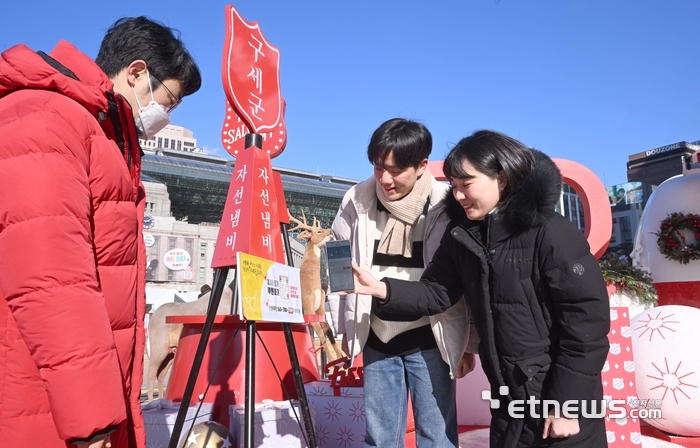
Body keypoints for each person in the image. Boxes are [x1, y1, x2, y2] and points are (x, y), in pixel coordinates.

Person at [0, 17, 201, 448]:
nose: (166, 115)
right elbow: (53, 280)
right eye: (169, 100)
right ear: (136, 72)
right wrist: (92, 420)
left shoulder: (100, 132)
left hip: (66, 392)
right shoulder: (49, 117)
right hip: (44, 397)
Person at [351, 130, 611, 447]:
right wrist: (382, 289)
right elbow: (436, 292)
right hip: (508, 398)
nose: (458, 195)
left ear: (501, 178)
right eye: (454, 186)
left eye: (467, 184)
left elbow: (586, 328)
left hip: (558, 400)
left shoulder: (551, 232)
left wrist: (569, 405)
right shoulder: (463, 236)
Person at [328, 118, 478, 448]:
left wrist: (469, 342)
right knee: (380, 438)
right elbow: (340, 261)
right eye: (379, 166)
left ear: (422, 165)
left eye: (396, 170)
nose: (385, 178)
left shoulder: (447, 204)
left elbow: (468, 279)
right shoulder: (356, 199)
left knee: (436, 437)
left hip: (432, 335)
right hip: (377, 335)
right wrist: (342, 331)